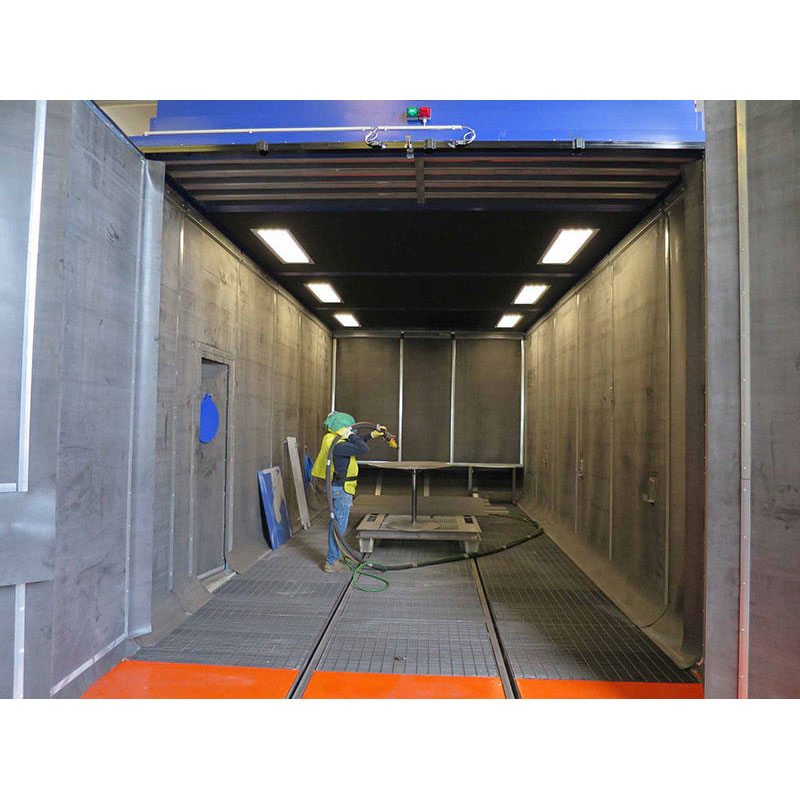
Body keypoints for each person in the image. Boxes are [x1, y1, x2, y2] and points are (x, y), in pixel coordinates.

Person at [311, 411, 386, 572]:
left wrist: (371, 435)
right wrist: (352, 435)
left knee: (338, 525)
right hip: (341, 490)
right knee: (339, 527)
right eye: (350, 429)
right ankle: (331, 561)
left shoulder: (332, 440)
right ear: (342, 429)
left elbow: (355, 443)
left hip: (338, 489)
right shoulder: (338, 446)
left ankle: (335, 557)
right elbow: (362, 448)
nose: (353, 432)